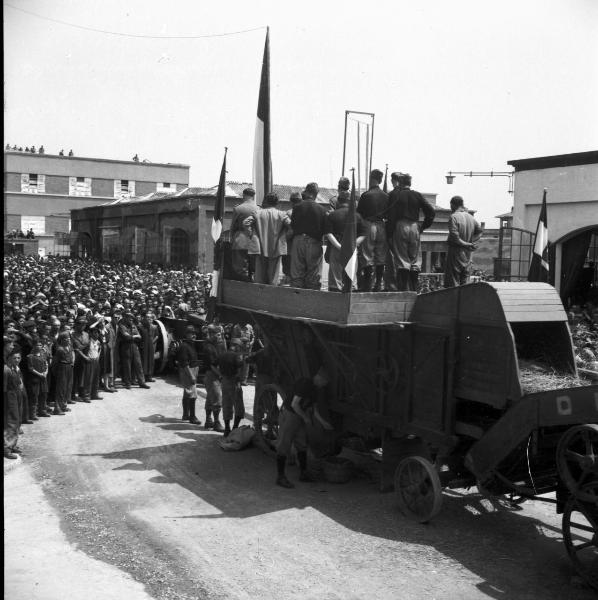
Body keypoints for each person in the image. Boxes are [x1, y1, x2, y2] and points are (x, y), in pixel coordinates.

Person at [275, 367, 333, 488]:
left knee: (302, 444)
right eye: (324, 382)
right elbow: (294, 404)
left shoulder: (316, 390)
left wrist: (323, 423)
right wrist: (305, 418)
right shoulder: (304, 384)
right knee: (284, 445)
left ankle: (303, 473)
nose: (324, 385)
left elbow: (314, 409)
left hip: (298, 416)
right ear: (320, 378)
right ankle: (280, 477)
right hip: (290, 414)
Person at [386, 172, 436, 291]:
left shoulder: (395, 194)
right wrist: (423, 226)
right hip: (415, 226)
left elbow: (391, 216)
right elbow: (431, 212)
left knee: (402, 259)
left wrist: (389, 233)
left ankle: (403, 291)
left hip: (400, 226)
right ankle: (414, 290)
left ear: (400, 183)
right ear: (410, 183)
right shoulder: (417, 195)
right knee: (415, 261)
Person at [325, 191, 367, 292]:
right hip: (351, 246)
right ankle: (351, 293)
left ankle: (335, 295)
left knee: (336, 279)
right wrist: (354, 244)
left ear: (338, 202)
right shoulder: (357, 216)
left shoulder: (332, 215)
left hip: (336, 246)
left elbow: (328, 233)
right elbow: (364, 234)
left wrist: (339, 246)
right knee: (351, 275)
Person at [289, 182, 328, 289]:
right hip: (314, 242)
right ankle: (312, 299)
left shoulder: (297, 207)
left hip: (298, 240)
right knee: (314, 274)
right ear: (316, 193)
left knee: (297, 273)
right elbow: (325, 231)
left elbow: (292, 226)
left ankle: (296, 297)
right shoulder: (322, 210)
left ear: (306, 192)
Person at [356, 169, 389, 291]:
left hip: (368, 225)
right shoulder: (386, 196)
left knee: (367, 256)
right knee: (381, 256)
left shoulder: (366, 195)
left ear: (371, 179)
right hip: (381, 225)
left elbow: (359, 214)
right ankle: (378, 284)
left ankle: (367, 285)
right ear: (380, 180)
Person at [444, 196, 483, 287]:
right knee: (464, 282)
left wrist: (466, 243)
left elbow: (454, 237)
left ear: (452, 205)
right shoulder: (471, 217)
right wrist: (471, 242)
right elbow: (480, 232)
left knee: (453, 283)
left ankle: (454, 301)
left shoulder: (453, 217)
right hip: (468, 254)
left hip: (456, 253)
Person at [254, 192, 291, 285]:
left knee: (259, 274)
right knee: (274, 275)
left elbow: (246, 223)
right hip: (276, 247)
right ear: (277, 203)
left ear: (266, 201)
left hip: (260, 247)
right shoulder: (281, 214)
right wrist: (284, 237)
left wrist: (252, 234)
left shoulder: (257, 213)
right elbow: (292, 226)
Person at [230, 188, 261, 281]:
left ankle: (243, 284)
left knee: (240, 266)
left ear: (244, 195)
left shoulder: (238, 208)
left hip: (240, 239)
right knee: (254, 266)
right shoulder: (259, 208)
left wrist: (232, 239)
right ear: (253, 196)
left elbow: (233, 226)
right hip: (255, 240)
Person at [218, 338, 246, 437]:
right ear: (237, 346)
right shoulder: (236, 356)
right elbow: (239, 368)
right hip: (234, 382)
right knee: (238, 406)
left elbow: (217, 367)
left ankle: (227, 429)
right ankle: (235, 428)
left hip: (224, 382)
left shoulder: (222, 355)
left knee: (226, 404)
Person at [175, 325, 202, 425]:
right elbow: (185, 363)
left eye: (195, 333)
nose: (194, 335)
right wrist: (191, 376)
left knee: (187, 393)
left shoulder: (190, 344)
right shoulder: (184, 346)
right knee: (192, 395)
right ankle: (192, 417)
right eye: (192, 333)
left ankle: (186, 415)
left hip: (192, 369)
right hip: (188, 371)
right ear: (186, 334)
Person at [201, 324, 224, 431]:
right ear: (211, 334)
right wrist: (220, 375)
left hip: (213, 373)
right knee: (217, 399)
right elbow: (212, 365)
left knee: (210, 398)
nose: (219, 337)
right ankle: (216, 423)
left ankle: (208, 421)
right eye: (217, 335)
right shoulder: (209, 347)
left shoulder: (214, 345)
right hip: (212, 374)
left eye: (220, 335)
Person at [118, 312, 149, 389]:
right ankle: (127, 383)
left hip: (134, 346)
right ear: (125, 318)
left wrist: (133, 336)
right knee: (127, 365)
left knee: (138, 365)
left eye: (132, 318)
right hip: (126, 346)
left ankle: (142, 382)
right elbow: (126, 337)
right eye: (129, 318)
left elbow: (139, 336)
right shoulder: (122, 326)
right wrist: (134, 336)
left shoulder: (134, 326)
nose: (131, 319)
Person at [4, 350, 25, 458]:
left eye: (18, 358)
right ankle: (7, 449)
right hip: (10, 397)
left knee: (18, 421)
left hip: (18, 395)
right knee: (11, 422)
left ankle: (13, 445)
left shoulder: (16, 369)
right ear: (8, 359)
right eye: (14, 358)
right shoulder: (6, 370)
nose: (17, 360)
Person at [25, 338, 50, 418]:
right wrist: (40, 374)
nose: (39, 347)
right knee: (34, 395)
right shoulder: (30, 357)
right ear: (34, 346)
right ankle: (33, 413)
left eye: (40, 345)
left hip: (43, 378)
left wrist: (45, 373)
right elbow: (31, 369)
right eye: (37, 345)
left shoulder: (43, 355)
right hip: (35, 379)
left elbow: (46, 365)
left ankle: (42, 410)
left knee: (44, 394)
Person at [51, 332, 74, 415]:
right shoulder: (59, 349)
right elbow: (55, 362)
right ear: (61, 340)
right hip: (62, 368)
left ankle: (63, 405)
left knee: (67, 387)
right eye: (66, 339)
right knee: (60, 388)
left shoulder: (69, 347)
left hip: (69, 367)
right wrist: (56, 373)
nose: (68, 340)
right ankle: (57, 408)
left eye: (69, 338)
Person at [71, 316, 91, 402]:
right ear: (76, 325)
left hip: (85, 359)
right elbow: (77, 348)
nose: (82, 326)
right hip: (76, 358)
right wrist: (84, 355)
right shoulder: (72, 335)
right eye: (80, 324)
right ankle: (72, 394)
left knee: (84, 377)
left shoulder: (86, 334)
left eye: (84, 325)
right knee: (75, 377)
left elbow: (88, 345)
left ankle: (82, 394)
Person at [139, 312, 158, 382]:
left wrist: (151, 342)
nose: (148, 319)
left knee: (150, 360)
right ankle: (143, 376)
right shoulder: (141, 326)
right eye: (147, 317)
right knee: (144, 360)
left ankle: (149, 376)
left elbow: (157, 336)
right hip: (144, 345)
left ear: (152, 319)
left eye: (150, 318)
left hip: (151, 345)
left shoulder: (154, 327)